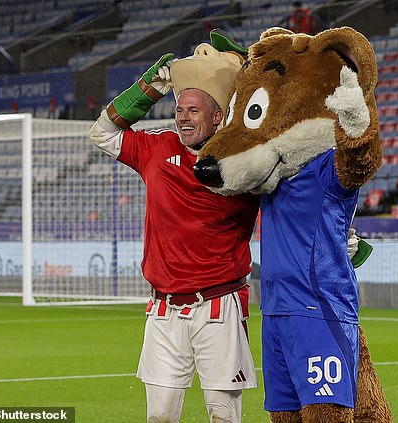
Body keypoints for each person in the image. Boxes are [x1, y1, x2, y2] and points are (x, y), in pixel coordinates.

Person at [90, 43, 259, 423]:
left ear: (218, 117)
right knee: (160, 417)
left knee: (224, 416)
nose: (182, 117)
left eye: (193, 111)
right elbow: (102, 133)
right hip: (164, 308)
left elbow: (294, 192)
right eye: (179, 109)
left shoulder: (245, 163)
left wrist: (339, 229)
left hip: (220, 305)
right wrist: (149, 88)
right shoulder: (158, 147)